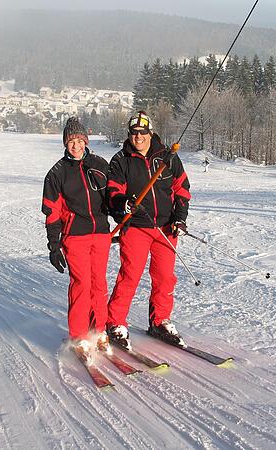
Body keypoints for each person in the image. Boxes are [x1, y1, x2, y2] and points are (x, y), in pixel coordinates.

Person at [106, 111, 191, 349]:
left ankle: (160, 321)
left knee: (165, 277)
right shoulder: (121, 160)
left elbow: (182, 188)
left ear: (151, 133)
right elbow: (113, 191)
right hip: (137, 228)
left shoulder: (167, 157)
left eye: (143, 133)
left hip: (165, 227)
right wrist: (122, 203)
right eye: (134, 133)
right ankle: (115, 323)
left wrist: (179, 217)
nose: (138, 137)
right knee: (130, 275)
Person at [41, 117, 111, 355]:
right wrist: (54, 245)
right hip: (75, 236)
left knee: (99, 282)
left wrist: (123, 209)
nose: (76, 145)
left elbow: (112, 196)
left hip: (101, 233)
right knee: (82, 284)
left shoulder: (100, 164)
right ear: (65, 143)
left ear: (86, 141)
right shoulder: (57, 174)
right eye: (71, 141)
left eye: (79, 140)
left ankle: (99, 328)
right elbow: (52, 211)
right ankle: (79, 335)